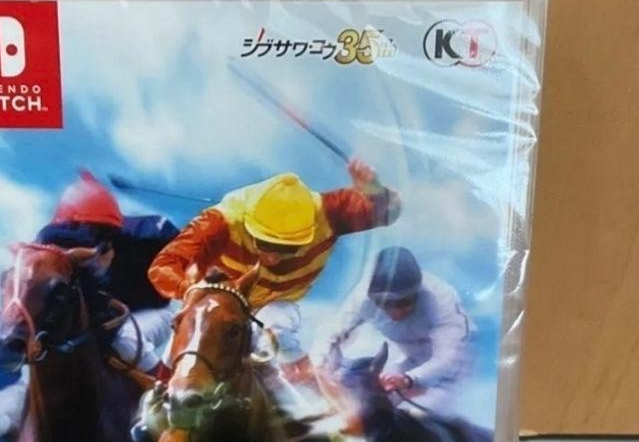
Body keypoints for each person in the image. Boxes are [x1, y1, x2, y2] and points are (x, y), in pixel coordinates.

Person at [147, 159, 401, 395]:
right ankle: (157, 399)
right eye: (264, 243)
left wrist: (375, 191)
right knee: (185, 345)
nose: (272, 259)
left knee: (277, 325)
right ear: (248, 223)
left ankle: (308, 393)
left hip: (276, 303)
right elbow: (163, 266)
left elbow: (390, 210)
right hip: (219, 305)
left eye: (288, 248)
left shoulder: (329, 212)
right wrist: (191, 291)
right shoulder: (219, 222)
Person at [36, 170, 178, 377]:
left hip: (155, 310)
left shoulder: (149, 235)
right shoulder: (62, 258)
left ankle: (169, 389)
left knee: (127, 340)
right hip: (106, 319)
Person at [331, 246, 473, 418]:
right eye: (385, 303)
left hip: (451, 372)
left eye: (403, 302)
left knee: (414, 417)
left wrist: (409, 379)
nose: (395, 312)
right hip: (410, 361)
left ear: (417, 293)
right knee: (365, 405)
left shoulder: (441, 301)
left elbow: (448, 359)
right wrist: (321, 364)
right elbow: (331, 332)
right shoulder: (362, 297)